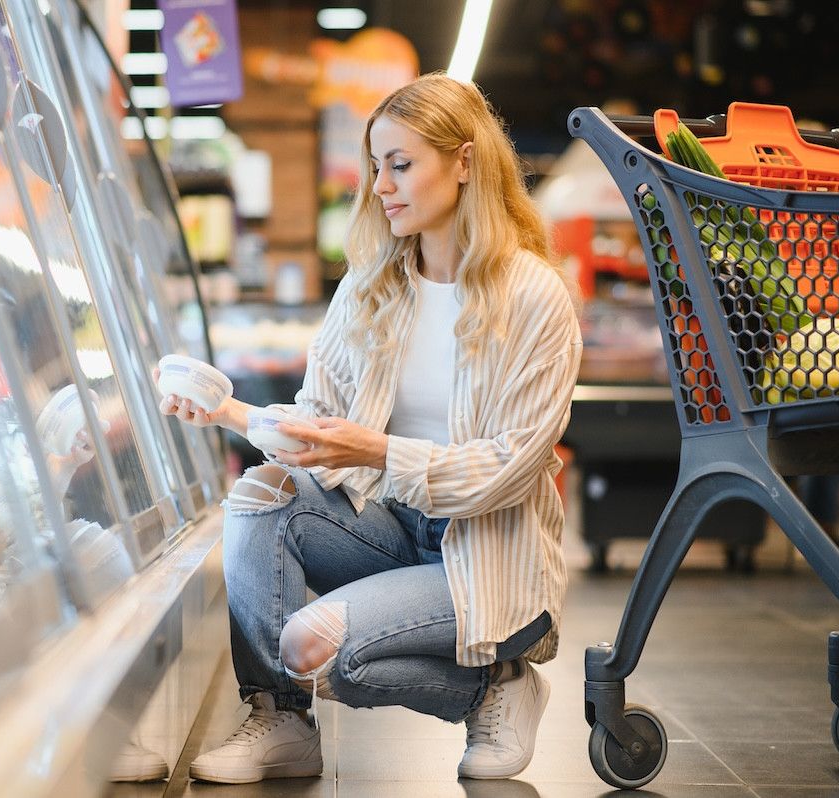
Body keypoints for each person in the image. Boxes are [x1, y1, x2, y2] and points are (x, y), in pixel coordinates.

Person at [159, 73, 582, 783]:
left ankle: (499, 685)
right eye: (376, 165)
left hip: (491, 559)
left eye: (402, 164)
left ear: (466, 163)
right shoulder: (371, 285)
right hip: (392, 529)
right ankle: (281, 722)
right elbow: (319, 427)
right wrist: (227, 412)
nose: (381, 185)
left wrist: (377, 448)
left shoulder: (535, 297)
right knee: (264, 494)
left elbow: (507, 468)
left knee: (315, 645)